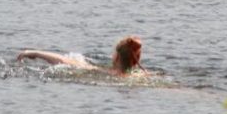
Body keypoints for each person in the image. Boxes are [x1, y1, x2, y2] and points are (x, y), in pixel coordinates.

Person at [17, 36, 147, 76]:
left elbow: (63, 60)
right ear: (136, 61)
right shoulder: (141, 75)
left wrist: (33, 53)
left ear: (117, 57)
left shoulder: (103, 72)